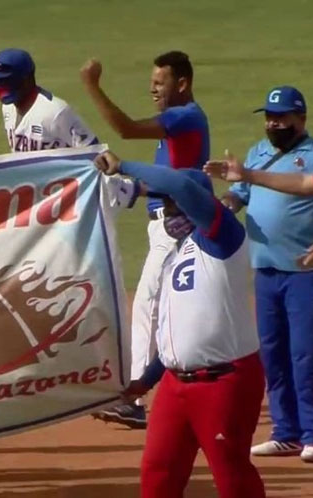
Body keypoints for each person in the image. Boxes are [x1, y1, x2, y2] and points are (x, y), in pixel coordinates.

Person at [96, 150, 265, 498]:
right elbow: (176, 334)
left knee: (232, 478)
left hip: (223, 382)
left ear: (195, 203)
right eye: (166, 204)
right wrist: (146, 381)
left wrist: (124, 165)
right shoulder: (177, 253)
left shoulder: (223, 237)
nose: (168, 211)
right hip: (174, 385)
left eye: (173, 203)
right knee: (158, 473)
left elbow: (178, 185)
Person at [80, 51, 210, 428]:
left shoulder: (184, 117)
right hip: (164, 223)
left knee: (149, 306)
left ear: (182, 83)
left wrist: (91, 86)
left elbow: (125, 129)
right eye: (152, 81)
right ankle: (164, 382)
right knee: (161, 307)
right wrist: (134, 188)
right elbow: (167, 175)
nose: (152, 88)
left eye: (160, 82)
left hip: (174, 227)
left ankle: (133, 399)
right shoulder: (178, 124)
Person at [206, 86, 313, 462]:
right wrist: (226, 204)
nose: (273, 124)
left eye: (281, 117)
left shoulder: (311, 155)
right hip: (265, 268)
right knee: (272, 352)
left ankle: (312, 432)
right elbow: (240, 193)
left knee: (305, 354)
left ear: (301, 118)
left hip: (304, 271)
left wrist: (247, 175)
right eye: (269, 117)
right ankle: (286, 432)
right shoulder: (258, 152)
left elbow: (306, 186)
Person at [0, 48, 97, 152]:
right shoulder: (7, 108)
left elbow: (94, 151)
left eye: (6, 80)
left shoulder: (56, 112)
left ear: (26, 79)